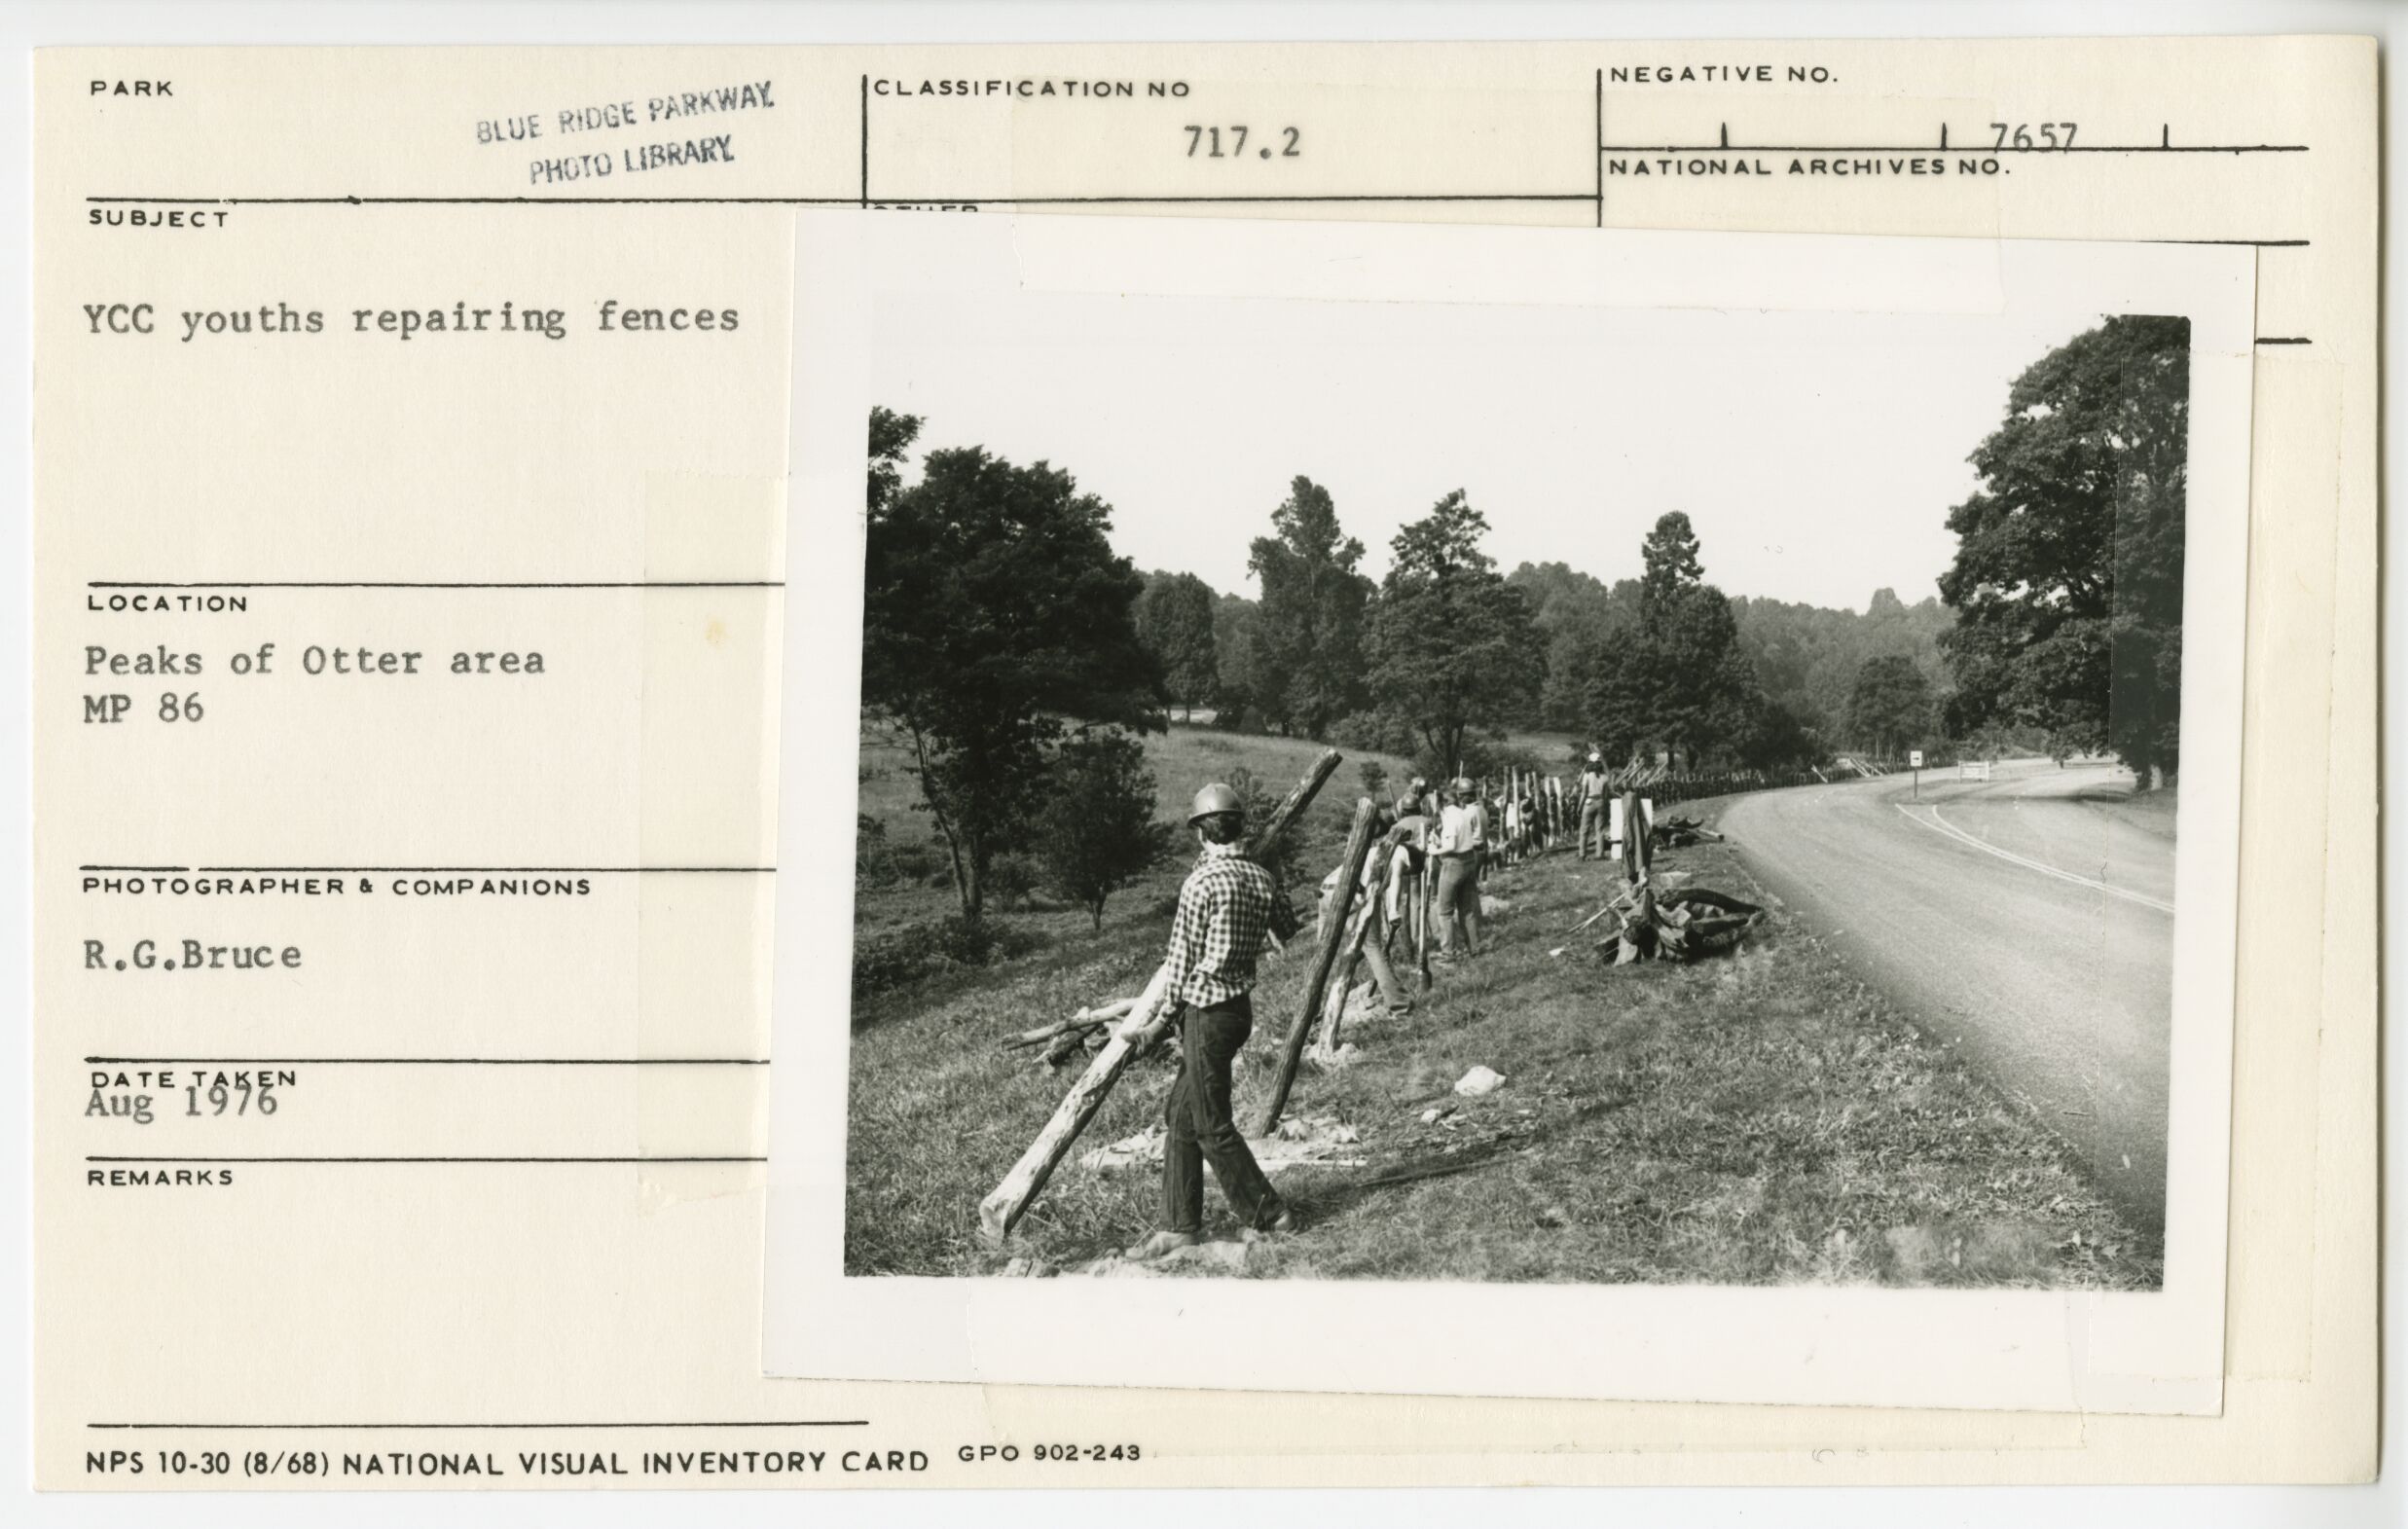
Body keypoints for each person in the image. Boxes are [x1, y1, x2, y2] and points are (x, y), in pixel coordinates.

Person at [1122, 782, 1295, 1259]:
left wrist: (1157, 1026)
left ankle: (1270, 1214)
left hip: (1207, 1013)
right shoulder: (1262, 877)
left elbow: (1179, 966)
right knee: (1181, 1115)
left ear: (1201, 833)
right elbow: (1288, 927)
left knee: (1211, 1125)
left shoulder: (1199, 883)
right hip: (1238, 1011)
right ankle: (1179, 1225)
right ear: (1239, 827)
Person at [1432, 777, 1486, 962]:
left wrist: (1434, 849)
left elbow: (1451, 844)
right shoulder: (1465, 813)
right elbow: (1460, 838)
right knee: (1467, 909)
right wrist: (1441, 841)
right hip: (1469, 860)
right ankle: (1474, 948)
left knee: (1444, 910)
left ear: (1444, 803)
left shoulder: (1450, 816)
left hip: (1454, 863)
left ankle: (1448, 953)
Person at [1577, 752, 1610, 860]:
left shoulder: (1587, 776)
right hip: (1600, 802)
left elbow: (1584, 793)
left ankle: (1582, 854)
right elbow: (1605, 795)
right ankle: (1599, 854)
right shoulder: (1605, 777)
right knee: (1600, 830)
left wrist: (1579, 806)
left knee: (1584, 830)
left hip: (1589, 802)